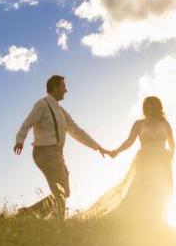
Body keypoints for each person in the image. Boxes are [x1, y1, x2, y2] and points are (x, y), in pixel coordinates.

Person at [14, 74, 112, 218]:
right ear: (55, 87)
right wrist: (20, 140)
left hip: (57, 153)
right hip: (45, 152)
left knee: (64, 191)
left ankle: (29, 214)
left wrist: (97, 147)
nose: (66, 90)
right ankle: (56, 223)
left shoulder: (61, 112)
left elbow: (77, 131)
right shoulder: (42, 104)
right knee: (60, 190)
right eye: (63, 86)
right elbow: (28, 122)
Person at [79, 96, 175, 224]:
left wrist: (170, 155)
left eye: (153, 104)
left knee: (161, 190)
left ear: (158, 106)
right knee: (141, 190)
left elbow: (172, 143)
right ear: (145, 108)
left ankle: (157, 221)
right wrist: (116, 151)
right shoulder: (139, 124)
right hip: (145, 160)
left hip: (162, 162)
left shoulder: (165, 123)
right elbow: (129, 141)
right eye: (148, 104)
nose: (150, 106)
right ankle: (132, 221)